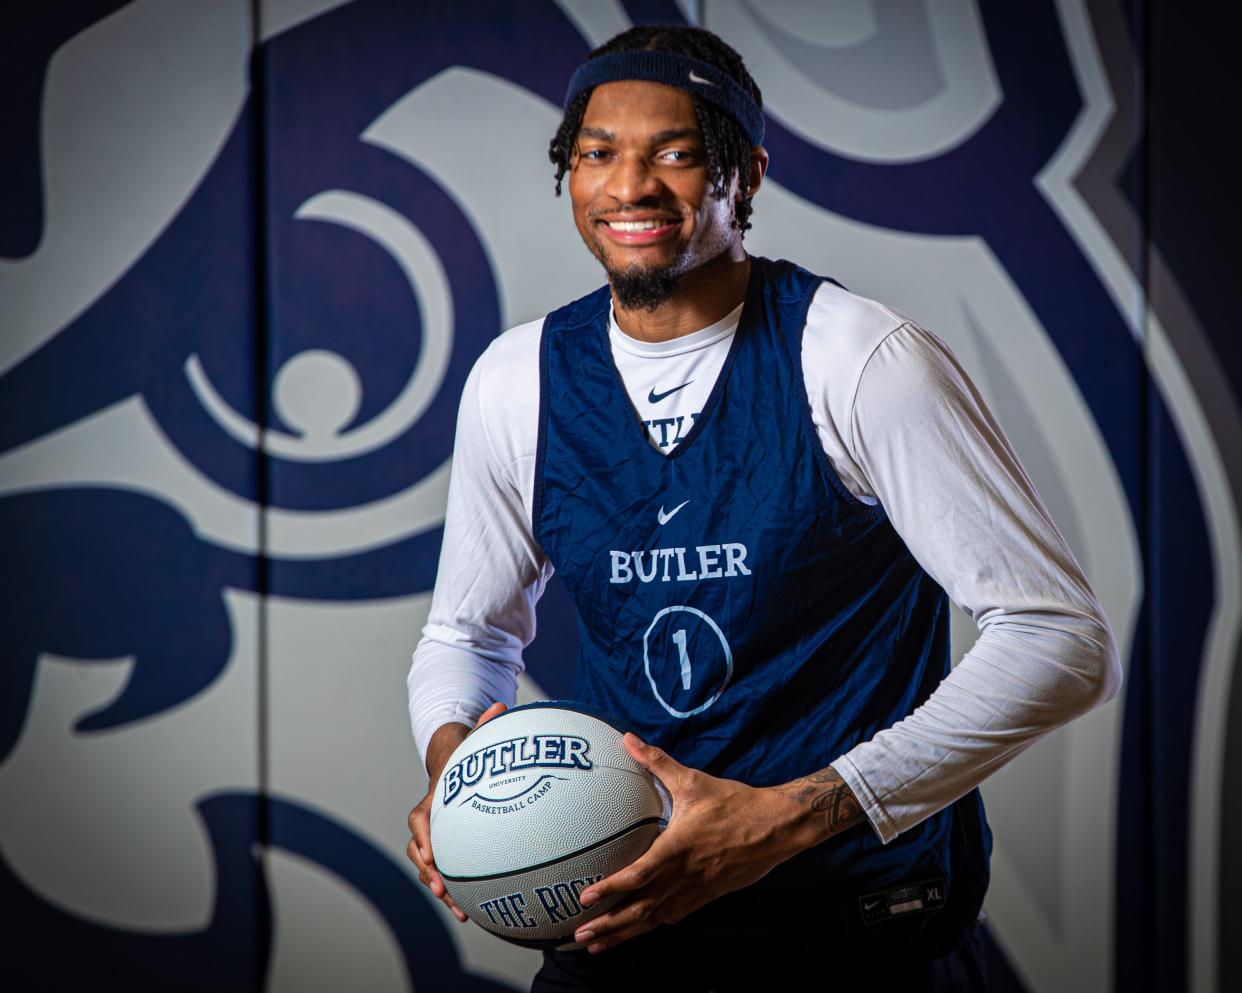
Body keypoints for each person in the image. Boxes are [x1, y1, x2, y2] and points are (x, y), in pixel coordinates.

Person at [405, 24, 1121, 992]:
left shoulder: (859, 359)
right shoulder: (518, 381)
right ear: (569, 174)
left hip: (856, 931)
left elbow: (1061, 638)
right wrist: (461, 774)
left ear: (746, 176)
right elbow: (465, 635)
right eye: (597, 155)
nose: (630, 188)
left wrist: (793, 815)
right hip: (624, 935)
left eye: (678, 153)